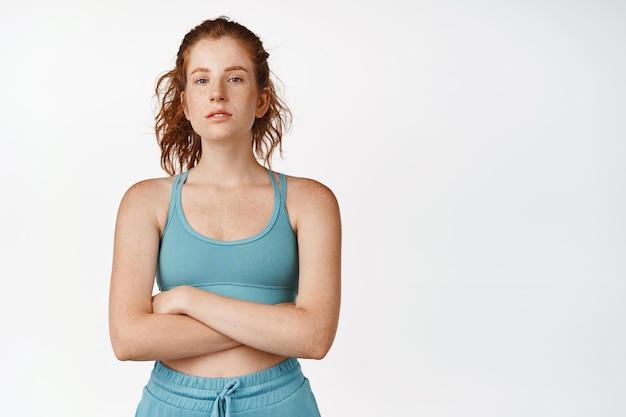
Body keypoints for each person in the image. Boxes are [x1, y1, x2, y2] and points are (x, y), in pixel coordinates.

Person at [108, 16, 341, 417]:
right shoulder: (145, 201)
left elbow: (314, 337)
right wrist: (276, 325)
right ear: (185, 103)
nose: (217, 93)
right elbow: (128, 339)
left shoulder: (310, 201)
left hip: (279, 402)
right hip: (172, 404)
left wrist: (185, 299)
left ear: (261, 99)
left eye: (234, 78)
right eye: (201, 80)